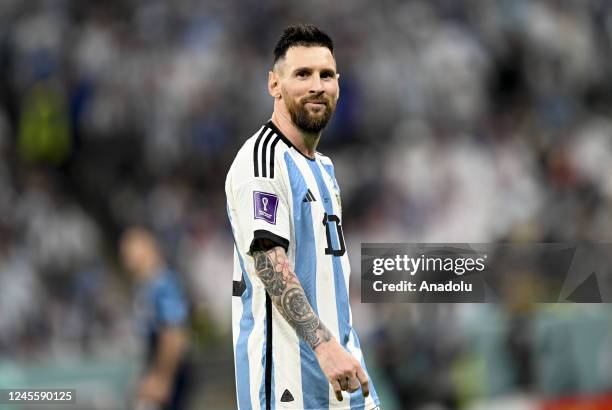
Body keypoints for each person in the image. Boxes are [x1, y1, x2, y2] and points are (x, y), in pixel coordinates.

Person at [225, 24, 381, 410]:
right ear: (274, 85)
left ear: (339, 85)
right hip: (288, 384)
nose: (317, 86)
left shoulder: (323, 167)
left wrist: (340, 348)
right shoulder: (262, 160)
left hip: (344, 373)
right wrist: (325, 346)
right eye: (302, 74)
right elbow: (268, 262)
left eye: (326, 75)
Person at [119, 227, 191, 410]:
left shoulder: (164, 283)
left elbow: (174, 333)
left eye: (130, 248)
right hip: (155, 366)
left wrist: (162, 379)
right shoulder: (144, 285)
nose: (125, 256)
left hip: (171, 373)